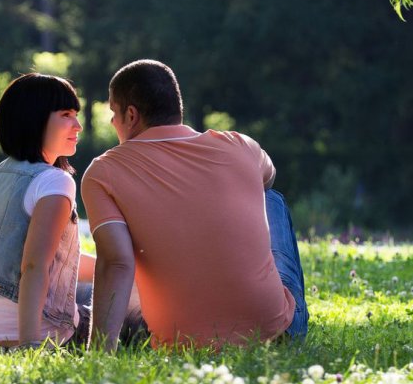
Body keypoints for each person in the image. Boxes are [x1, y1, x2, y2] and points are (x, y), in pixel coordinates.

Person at [81, 59, 309, 352]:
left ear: (131, 114)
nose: (113, 122)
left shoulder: (104, 172)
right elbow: (269, 176)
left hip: (181, 344)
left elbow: (117, 263)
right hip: (277, 336)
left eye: (114, 112)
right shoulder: (239, 145)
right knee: (271, 198)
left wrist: (99, 355)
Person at [0, 73, 95, 350]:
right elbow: (33, 266)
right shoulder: (55, 181)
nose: (78, 125)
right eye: (66, 115)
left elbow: (53, 260)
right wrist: (31, 346)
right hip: (32, 334)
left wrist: (118, 267)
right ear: (35, 119)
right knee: (125, 299)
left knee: (103, 283)